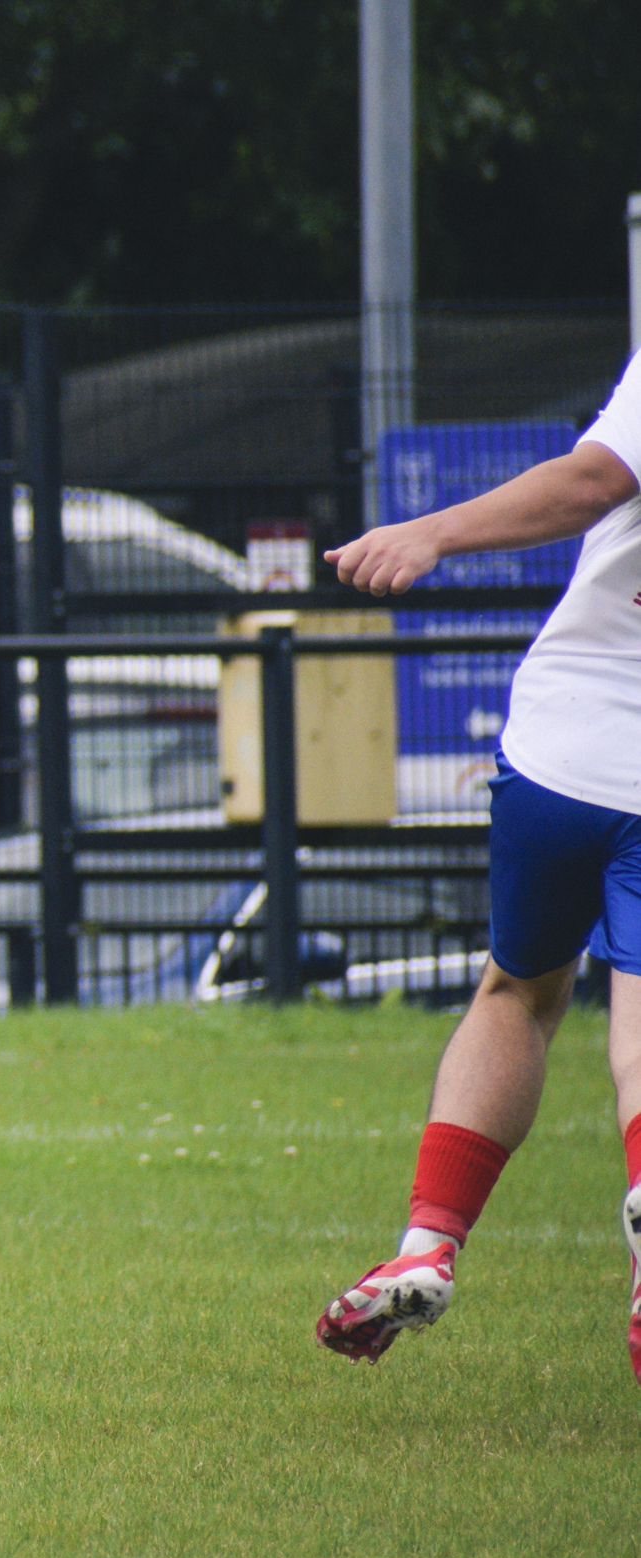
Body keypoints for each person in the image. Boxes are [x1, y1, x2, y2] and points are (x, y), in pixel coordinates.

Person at [316, 356, 641, 1375]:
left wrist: (432, 530)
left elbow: (594, 478)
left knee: (514, 990)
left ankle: (426, 1245)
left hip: (557, 742)